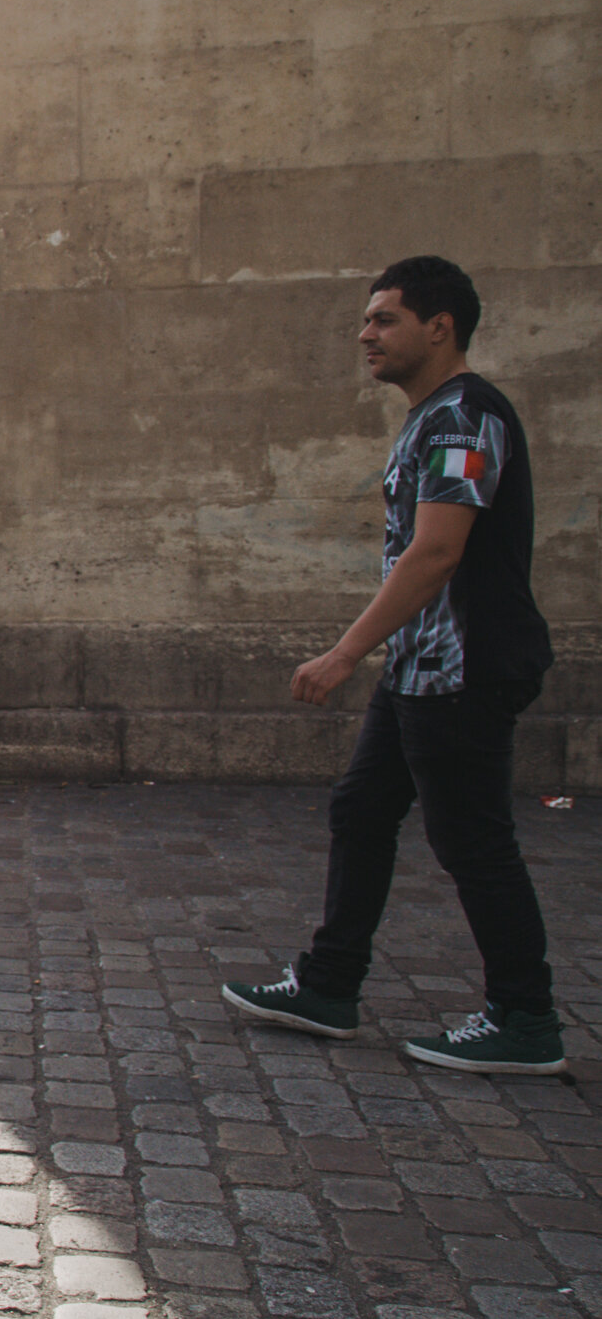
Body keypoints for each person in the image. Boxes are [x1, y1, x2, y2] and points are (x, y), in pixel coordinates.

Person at [224, 257, 561, 1074]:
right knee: (362, 810)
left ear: (439, 326)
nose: (365, 334)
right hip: (421, 667)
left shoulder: (463, 418)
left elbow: (437, 551)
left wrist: (345, 652)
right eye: (367, 320)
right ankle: (329, 984)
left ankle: (525, 1018)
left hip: (462, 669)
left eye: (384, 319)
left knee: (473, 841)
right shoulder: (433, 417)